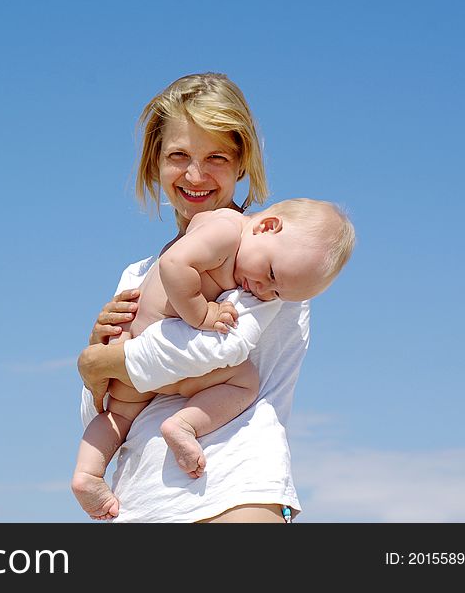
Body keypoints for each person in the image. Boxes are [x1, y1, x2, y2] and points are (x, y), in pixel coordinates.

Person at [74, 72, 336, 523]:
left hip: (235, 487)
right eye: (178, 156)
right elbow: (106, 406)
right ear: (154, 164)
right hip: (142, 500)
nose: (195, 175)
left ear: (242, 164)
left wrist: (101, 362)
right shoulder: (136, 275)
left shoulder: (270, 263)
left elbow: (216, 347)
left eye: (216, 156)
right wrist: (99, 352)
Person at [72, 198, 354, 519]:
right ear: (266, 226)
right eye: (270, 274)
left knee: (117, 418)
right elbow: (174, 265)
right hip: (153, 365)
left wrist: (105, 360)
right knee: (244, 382)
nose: (261, 288)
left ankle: (88, 473)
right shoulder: (225, 231)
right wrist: (202, 313)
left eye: (276, 293)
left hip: (137, 363)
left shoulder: (259, 265)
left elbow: (105, 378)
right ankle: (184, 424)